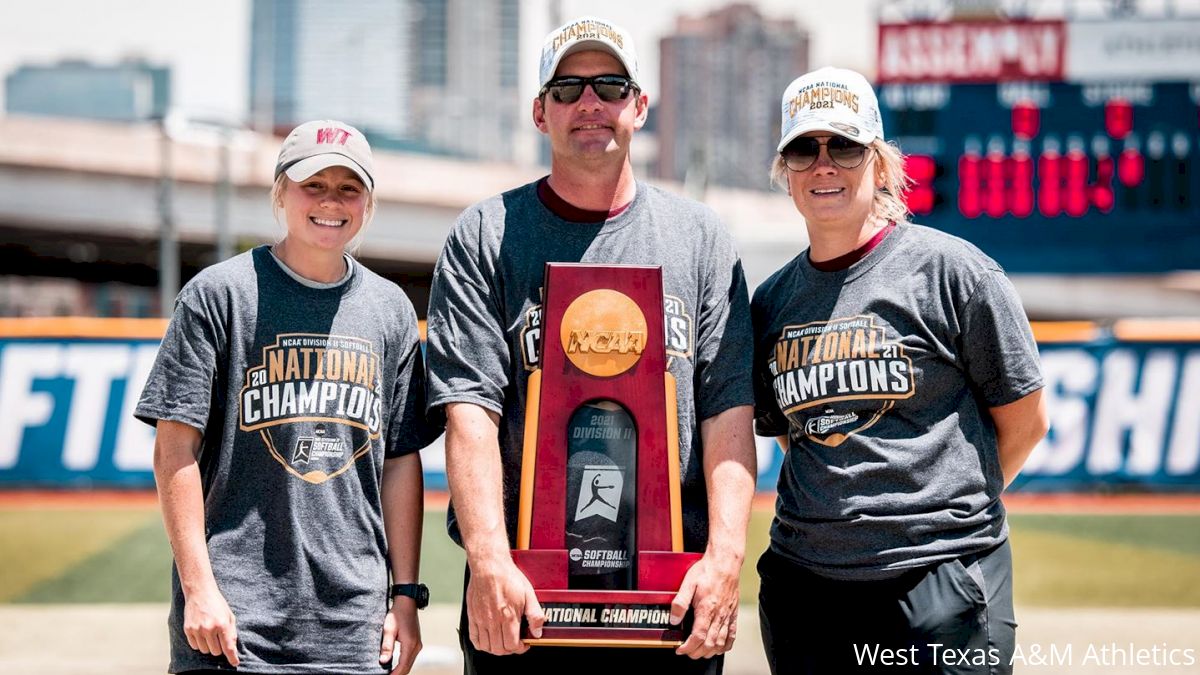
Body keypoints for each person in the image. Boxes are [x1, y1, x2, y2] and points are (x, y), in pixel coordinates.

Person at [425, 15, 757, 675]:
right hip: (524, 598)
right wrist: (488, 562)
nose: (589, 103)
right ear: (539, 112)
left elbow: (728, 413)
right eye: (567, 88)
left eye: (609, 84)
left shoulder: (700, 238)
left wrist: (723, 564)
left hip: (670, 594)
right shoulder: (487, 235)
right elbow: (470, 414)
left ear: (638, 105)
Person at [752, 67, 1050, 674]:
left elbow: (1026, 420)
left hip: (940, 582)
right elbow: (793, 435)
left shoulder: (953, 272)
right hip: (807, 587)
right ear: (786, 174)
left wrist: (945, 514)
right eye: (804, 149)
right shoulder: (771, 302)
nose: (824, 165)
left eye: (845, 146)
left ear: (881, 165)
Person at [136, 120, 442, 674]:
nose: (331, 202)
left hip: (354, 626)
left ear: (368, 202)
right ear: (281, 192)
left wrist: (405, 595)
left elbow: (399, 461)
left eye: (348, 188)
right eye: (313, 185)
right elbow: (173, 451)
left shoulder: (391, 309)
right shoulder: (219, 295)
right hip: (233, 619)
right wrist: (199, 589)